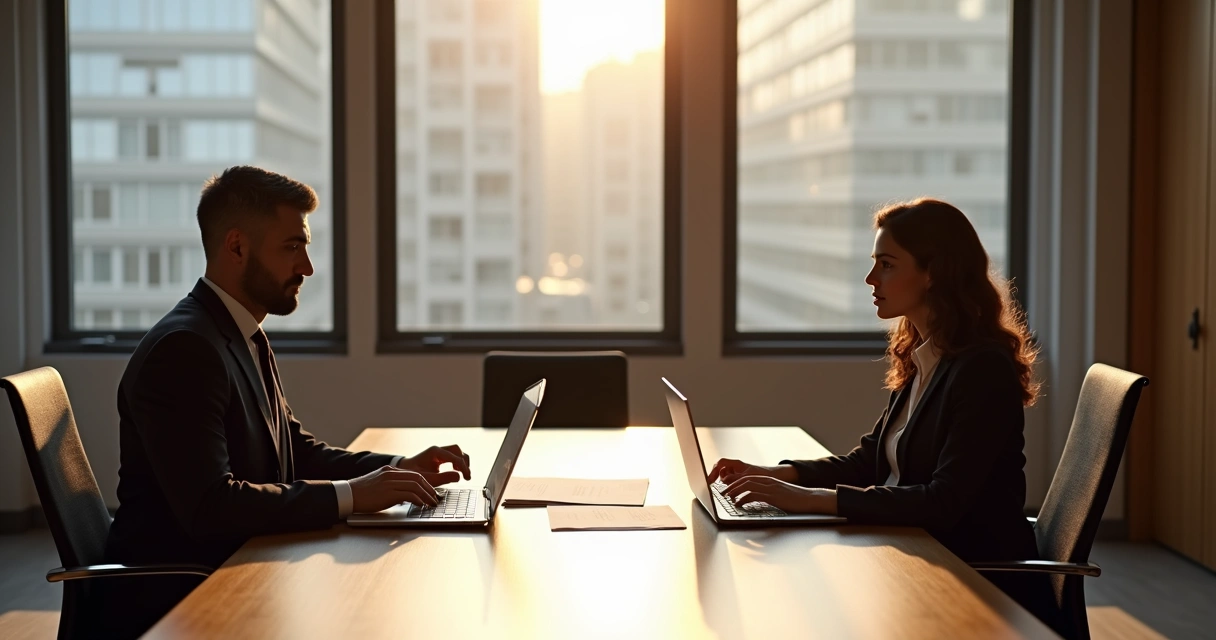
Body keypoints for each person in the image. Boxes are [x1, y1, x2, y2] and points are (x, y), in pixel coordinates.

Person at [103, 166, 469, 636]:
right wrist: (355, 495)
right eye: (292, 247)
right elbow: (211, 506)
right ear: (237, 247)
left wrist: (398, 469)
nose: (307, 268)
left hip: (239, 565)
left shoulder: (239, 333)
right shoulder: (184, 350)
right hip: (181, 601)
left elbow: (293, 451)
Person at [708, 197, 1053, 622]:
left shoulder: (982, 370)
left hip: (971, 582)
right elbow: (871, 460)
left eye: (887, 265)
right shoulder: (926, 355)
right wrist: (776, 476)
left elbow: (944, 501)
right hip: (913, 549)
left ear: (933, 273)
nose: (872, 278)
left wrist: (810, 500)